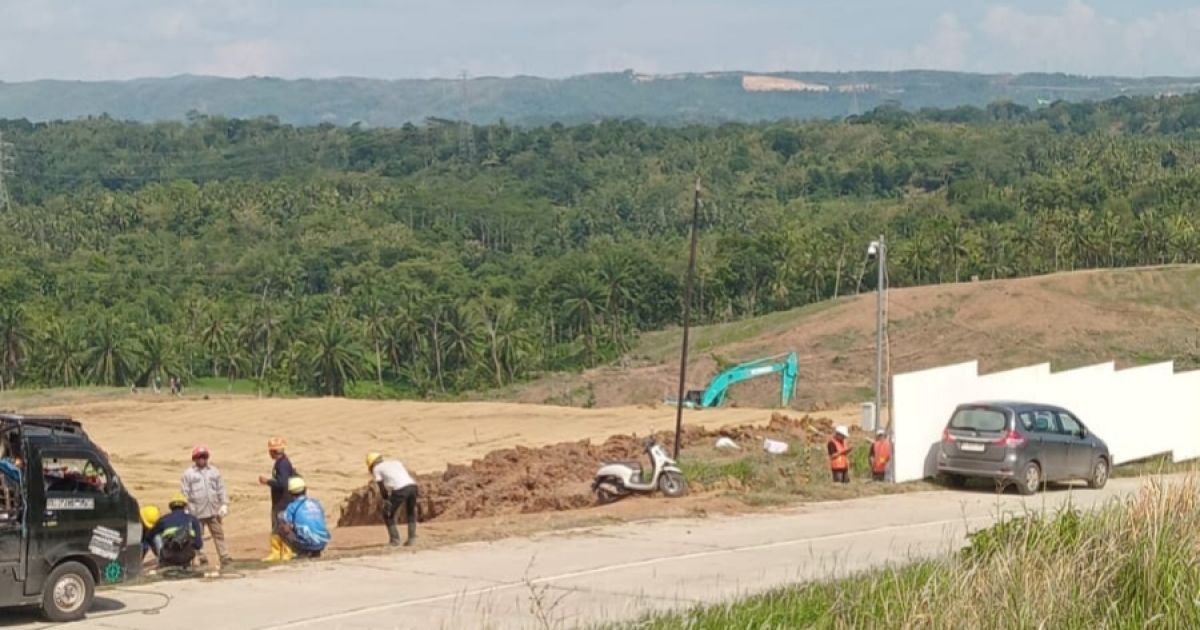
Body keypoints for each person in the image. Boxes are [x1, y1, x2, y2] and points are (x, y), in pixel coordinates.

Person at [181, 445, 232, 567]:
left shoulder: (214, 471)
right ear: (194, 459)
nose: (201, 459)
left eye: (203, 457)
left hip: (213, 510)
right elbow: (184, 492)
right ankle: (201, 557)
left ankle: (224, 556)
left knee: (219, 534)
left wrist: (224, 504)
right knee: (198, 537)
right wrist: (185, 508)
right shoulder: (189, 474)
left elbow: (221, 489)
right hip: (196, 512)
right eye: (199, 457)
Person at [366, 452, 419, 547]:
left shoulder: (376, 469)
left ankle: (395, 540)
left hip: (400, 489)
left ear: (372, 464)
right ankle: (412, 539)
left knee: (388, 514)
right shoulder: (396, 462)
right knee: (411, 512)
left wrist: (386, 499)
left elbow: (381, 486)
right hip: (413, 486)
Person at [259, 437, 297, 561]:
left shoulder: (282, 464)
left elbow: (282, 483)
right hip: (281, 500)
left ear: (273, 452)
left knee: (281, 525)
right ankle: (277, 552)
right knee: (278, 526)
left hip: (283, 501)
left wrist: (267, 481)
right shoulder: (282, 463)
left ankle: (286, 551)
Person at [276, 477, 330, 559]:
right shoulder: (316, 503)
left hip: (308, 544)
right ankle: (316, 552)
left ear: (290, 493)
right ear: (305, 489)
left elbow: (286, 526)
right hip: (323, 541)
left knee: (281, 519)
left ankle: (300, 551)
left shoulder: (292, 507)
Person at [147, 494, 203, 570]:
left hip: (168, 556)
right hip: (186, 558)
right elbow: (199, 544)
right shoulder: (193, 520)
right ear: (185, 506)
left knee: (156, 535)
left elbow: (149, 536)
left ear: (170, 507)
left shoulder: (163, 519)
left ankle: (161, 561)